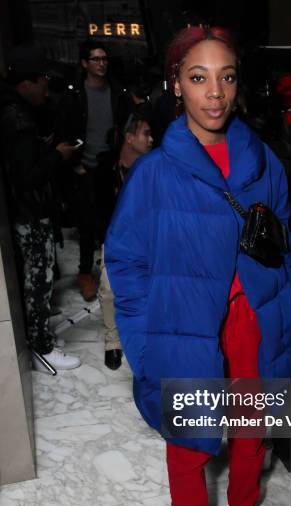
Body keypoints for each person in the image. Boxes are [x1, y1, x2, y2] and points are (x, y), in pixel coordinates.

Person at [105, 26, 291, 506]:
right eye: (199, 78)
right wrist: (146, 345)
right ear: (177, 85)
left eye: (226, 77)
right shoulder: (155, 173)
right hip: (188, 326)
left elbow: (284, 242)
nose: (214, 93)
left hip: (257, 320)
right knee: (191, 438)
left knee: (255, 425)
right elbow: (124, 263)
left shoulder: (264, 161)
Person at [0, 46, 81, 371]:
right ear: (27, 83)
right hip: (28, 215)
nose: (47, 87)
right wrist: (57, 156)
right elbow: (27, 176)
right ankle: (41, 347)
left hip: (28, 213)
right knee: (37, 280)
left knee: (39, 278)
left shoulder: (16, 111)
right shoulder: (16, 119)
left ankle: (39, 335)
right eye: (43, 80)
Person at [57, 41, 133, 301]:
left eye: (104, 59)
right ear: (84, 63)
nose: (101, 63)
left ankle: (113, 270)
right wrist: (74, 165)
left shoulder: (116, 91)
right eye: (96, 59)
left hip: (108, 165)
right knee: (86, 225)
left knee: (112, 221)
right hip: (83, 167)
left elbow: (125, 125)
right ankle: (84, 272)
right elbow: (65, 129)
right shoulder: (75, 94)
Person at [98, 111, 153, 370]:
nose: (151, 139)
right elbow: (93, 209)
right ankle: (112, 343)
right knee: (108, 289)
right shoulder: (106, 167)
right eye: (146, 134)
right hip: (115, 238)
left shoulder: (152, 168)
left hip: (145, 240)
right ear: (130, 138)